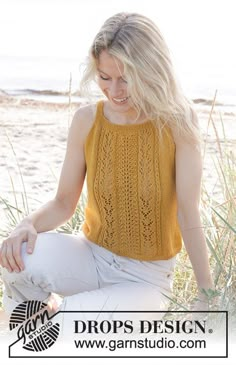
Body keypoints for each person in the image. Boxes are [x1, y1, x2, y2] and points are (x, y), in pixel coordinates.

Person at [0, 12, 213, 329]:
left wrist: (206, 293)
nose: (114, 91)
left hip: (147, 279)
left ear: (151, 71)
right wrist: (26, 224)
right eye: (104, 77)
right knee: (15, 260)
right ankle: (22, 333)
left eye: (126, 78)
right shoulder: (87, 120)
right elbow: (63, 203)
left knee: (66, 327)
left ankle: (62, 320)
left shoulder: (178, 121)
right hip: (89, 255)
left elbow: (187, 212)